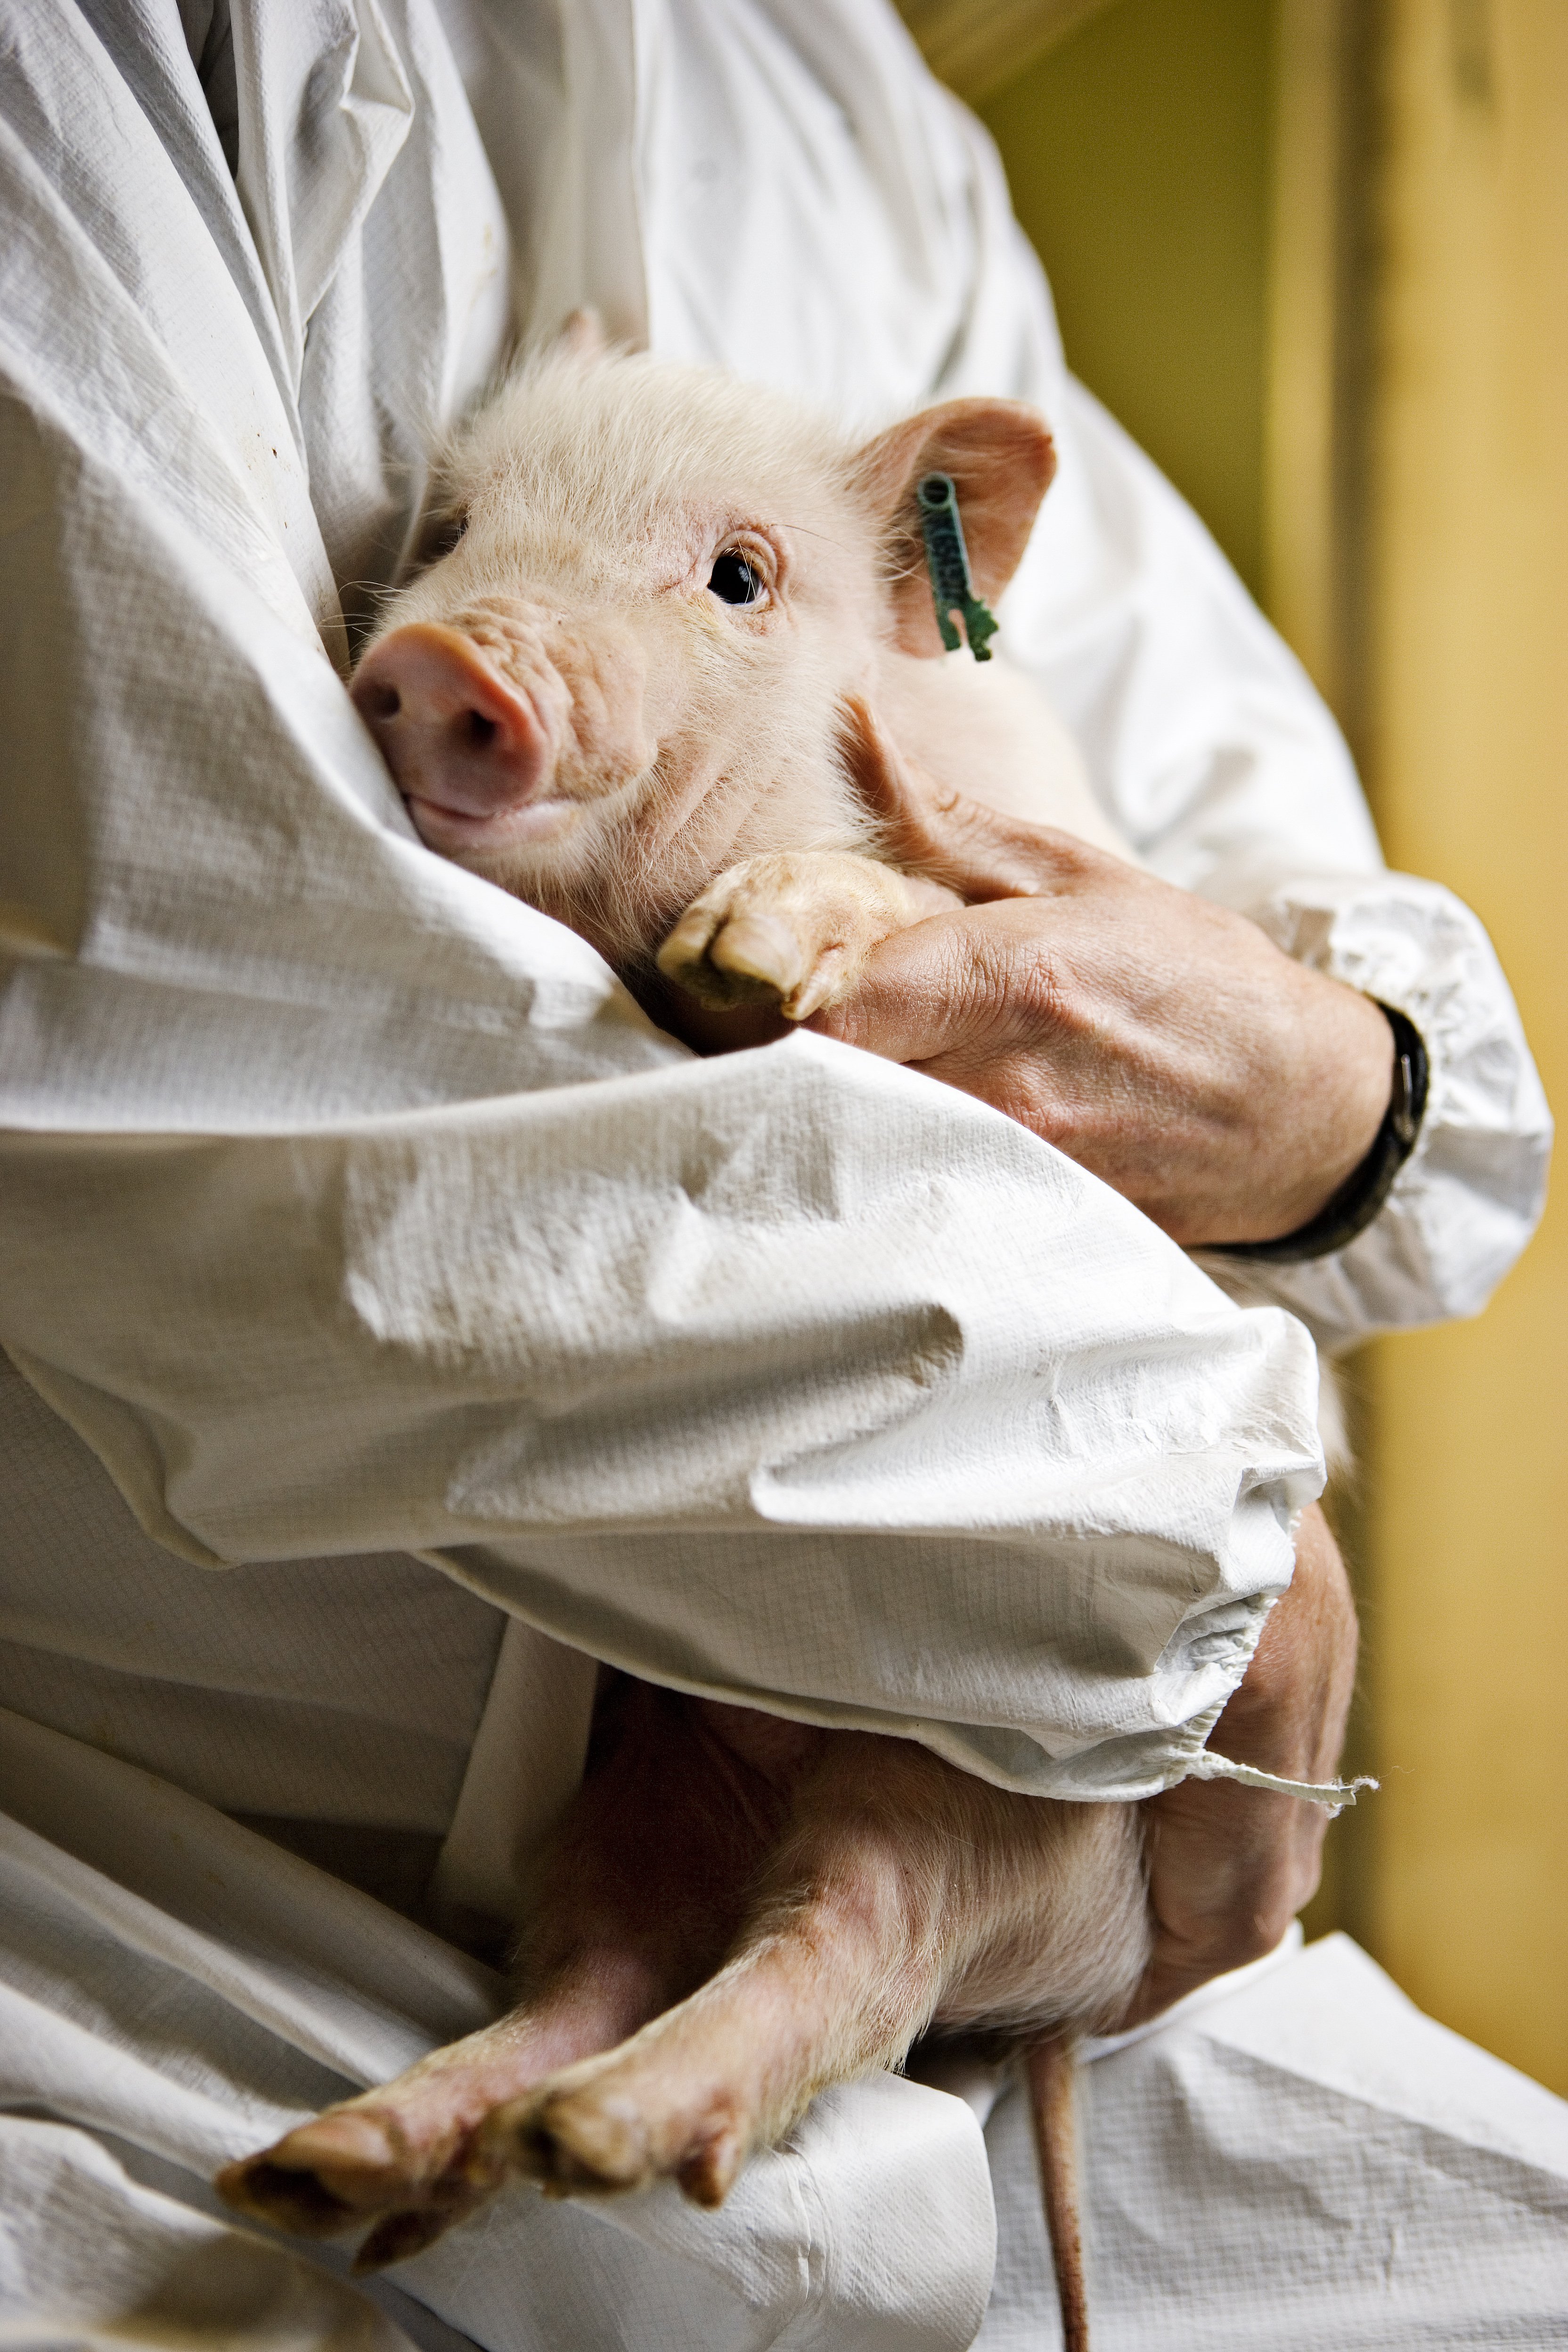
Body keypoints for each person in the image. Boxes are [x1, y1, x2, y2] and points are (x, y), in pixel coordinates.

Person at [0, 4, 1556, 2347]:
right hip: (170, 1919)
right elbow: (170, 1018)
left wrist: (1344, 1090)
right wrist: (1205, 1519)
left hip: (1033, 1833)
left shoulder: (835, 103)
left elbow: (1188, 825)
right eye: (441, 539)